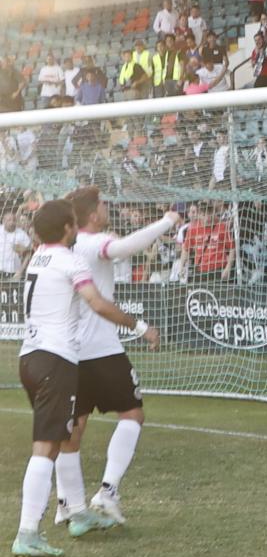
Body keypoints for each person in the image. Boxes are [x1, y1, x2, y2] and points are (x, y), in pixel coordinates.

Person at [12, 201, 157, 557]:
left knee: (62, 437)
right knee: (45, 447)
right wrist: (139, 326)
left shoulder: (39, 257)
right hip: (55, 360)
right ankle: (27, 533)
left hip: (29, 357)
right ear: (66, 227)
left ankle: (77, 512)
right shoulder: (70, 259)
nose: (77, 228)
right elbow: (97, 302)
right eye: (74, 223)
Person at [51, 188, 173, 530]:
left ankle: (66, 504)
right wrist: (167, 221)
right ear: (92, 214)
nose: (107, 209)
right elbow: (122, 249)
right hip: (101, 349)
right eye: (104, 204)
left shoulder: (63, 248)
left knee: (72, 432)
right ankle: (107, 491)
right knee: (132, 414)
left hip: (68, 350)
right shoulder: (92, 242)